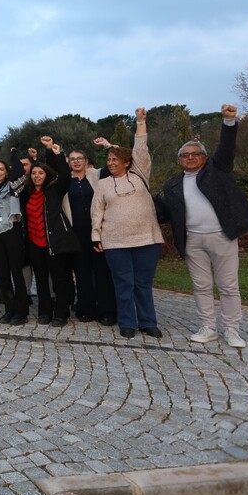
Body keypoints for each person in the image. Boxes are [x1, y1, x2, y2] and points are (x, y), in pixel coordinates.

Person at [155, 104, 248, 348]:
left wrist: (228, 121)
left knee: (228, 285)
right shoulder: (172, 185)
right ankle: (208, 327)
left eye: (196, 154)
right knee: (201, 286)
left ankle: (232, 329)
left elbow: (226, 148)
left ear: (204, 158)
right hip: (193, 239)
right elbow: (165, 212)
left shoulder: (217, 170)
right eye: (185, 155)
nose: (190, 157)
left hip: (221, 236)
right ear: (180, 160)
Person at [91, 108, 165, 340]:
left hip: (146, 238)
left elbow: (140, 148)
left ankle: (148, 322)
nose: (110, 162)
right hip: (115, 241)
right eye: (108, 159)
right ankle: (127, 323)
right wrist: (96, 235)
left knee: (143, 283)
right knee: (123, 283)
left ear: (126, 162)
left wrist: (141, 122)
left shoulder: (139, 175)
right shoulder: (103, 184)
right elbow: (97, 212)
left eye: (115, 159)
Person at [19, 137, 81, 327]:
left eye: (40, 173)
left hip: (53, 241)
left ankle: (61, 313)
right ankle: (44, 311)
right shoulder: (26, 193)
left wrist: (54, 152)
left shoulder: (54, 190)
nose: (37, 176)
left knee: (59, 279)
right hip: (34, 243)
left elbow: (63, 174)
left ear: (46, 175)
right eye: (34, 173)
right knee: (41, 281)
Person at [63, 146, 116, 325]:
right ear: (68, 163)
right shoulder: (64, 181)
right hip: (76, 233)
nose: (76, 161)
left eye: (80, 158)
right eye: (73, 159)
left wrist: (108, 146)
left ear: (86, 161)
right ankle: (86, 309)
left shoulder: (97, 175)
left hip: (97, 231)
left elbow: (115, 163)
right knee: (82, 272)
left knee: (103, 271)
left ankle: (106, 310)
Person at [0, 149, 29, 324]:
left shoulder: (13, 187)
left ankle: (21, 312)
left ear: (6, 171)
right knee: (3, 275)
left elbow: (20, 170)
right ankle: (9, 309)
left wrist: (15, 154)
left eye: (1, 169)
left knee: (17, 273)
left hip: (12, 231)